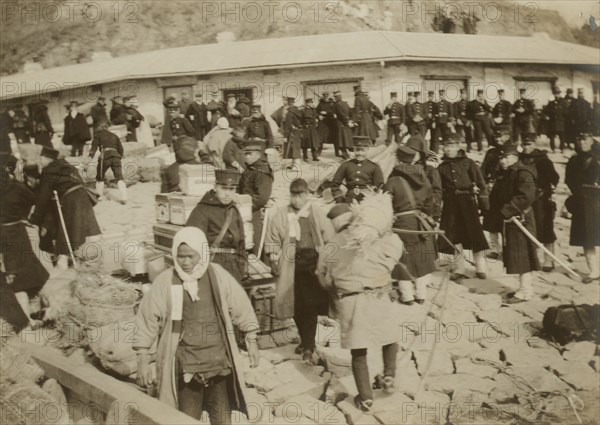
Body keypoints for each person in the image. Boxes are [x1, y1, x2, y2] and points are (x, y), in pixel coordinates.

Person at [133, 227, 260, 425]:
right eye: (181, 257)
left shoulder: (217, 276)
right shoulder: (166, 281)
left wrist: (251, 339)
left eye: (191, 256)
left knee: (223, 421)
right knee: (184, 420)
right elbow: (147, 317)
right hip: (186, 368)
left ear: (201, 253)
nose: (186, 262)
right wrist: (142, 357)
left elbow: (241, 306)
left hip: (218, 365)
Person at [316, 198, 402, 412]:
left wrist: (336, 287)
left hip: (351, 301)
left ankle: (365, 398)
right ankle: (389, 375)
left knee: (358, 351)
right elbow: (396, 251)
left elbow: (324, 279)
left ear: (334, 224)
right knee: (389, 337)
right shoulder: (375, 237)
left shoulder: (332, 245)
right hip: (380, 294)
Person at [264, 178, 333, 363]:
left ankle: (309, 347)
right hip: (290, 266)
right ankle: (305, 341)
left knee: (309, 306)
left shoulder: (316, 213)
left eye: (300, 194)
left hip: (313, 265)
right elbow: (272, 239)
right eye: (293, 194)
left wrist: (328, 262)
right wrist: (273, 260)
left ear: (307, 194)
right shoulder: (280, 214)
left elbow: (329, 237)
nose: (296, 199)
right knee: (295, 305)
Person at [29, 146, 101, 270]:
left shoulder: (48, 170)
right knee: (82, 228)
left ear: (46, 159)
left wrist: (35, 219)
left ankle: (63, 263)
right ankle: (89, 260)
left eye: (41, 159)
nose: (40, 162)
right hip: (83, 196)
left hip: (71, 199)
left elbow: (43, 197)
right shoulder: (68, 166)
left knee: (67, 229)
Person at [0, 154, 49, 326]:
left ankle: (28, 317)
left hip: (2, 233)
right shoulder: (16, 187)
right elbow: (33, 199)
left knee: (15, 275)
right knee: (33, 270)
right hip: (17, 232)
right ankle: (45, 311)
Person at [384, 146, 437, 304]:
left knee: (402, 257)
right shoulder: (424, 177)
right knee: (420, 257)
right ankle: (421, 294)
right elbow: (430, 202)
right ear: (413, 159)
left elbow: (386, 205)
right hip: (420, 223)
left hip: (401, 223)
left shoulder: (393, 180)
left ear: (398, 159)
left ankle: (407, 296)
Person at [488, 144, 540, 302]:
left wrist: (507, 210)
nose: (502, 161)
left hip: (521, 220)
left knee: (523, 256)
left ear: (514, 158)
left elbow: (526, 196)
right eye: (501, 158)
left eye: (504, 157)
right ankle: (522, 288)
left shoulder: (523, 173)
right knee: (516, 256)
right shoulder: (506, 174)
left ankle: (526, 291)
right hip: (511, 220)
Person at [438, 133, 489, 279]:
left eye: (452, 146)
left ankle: (481, 267)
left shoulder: (469, 163)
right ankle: (459, 268)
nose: (449, 149)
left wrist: (484, 204)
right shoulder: (441, 167)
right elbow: (438, 188)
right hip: (451, 205)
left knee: (475, 234)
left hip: (468, 202)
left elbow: (480, 184)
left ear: (458, 146)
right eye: (446, 146)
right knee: (454, 235)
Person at [186, 169, 247, 283]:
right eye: (223, 188)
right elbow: (191, 245)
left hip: (234, 269)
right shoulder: (202, 210)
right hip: (212, 268)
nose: (227, 193)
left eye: (231, 189)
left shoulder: (233, 210)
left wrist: (241, 266)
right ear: (215, 187)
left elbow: (241, 243)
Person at [520, 134, 559, 272]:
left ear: (534, 144)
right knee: (528, 228)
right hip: (524, 199)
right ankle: (533, 257)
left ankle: (548, 259)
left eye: (529, 144)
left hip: (541, 199)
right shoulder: (520, 159)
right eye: (524, 144)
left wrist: (547, 189)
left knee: (545, 228)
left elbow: (554, 177)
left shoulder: (543, 160)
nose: (526, 147)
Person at [565, 133, 600, 283]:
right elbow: (569, 180)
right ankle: (594, 271)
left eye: (585, 140)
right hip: (582, 202)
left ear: (591, 141)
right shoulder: (573, 160)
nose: (581, 143)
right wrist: (578, 193)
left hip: (596, 199)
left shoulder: (597, 158)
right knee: (587, 238)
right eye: (579, 140)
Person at [238, 140, 273, 255]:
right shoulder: (250, 169)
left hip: (254, 211)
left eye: (250, 154)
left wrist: (245, 207)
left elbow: (262, 198)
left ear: (258, 155)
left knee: (255, 240)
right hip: (243, 208)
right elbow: (240, 187)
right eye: (245, 154)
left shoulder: (261, 172)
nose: (246, 157)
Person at [481, 128, 511, 258]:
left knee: (507, 221)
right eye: (496, 137)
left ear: (507, 136)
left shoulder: (513, 151)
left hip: (507, 190)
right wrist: (483, 184)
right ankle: (494, 248)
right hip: (492, 190)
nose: (498, 139)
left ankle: (508, 248)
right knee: (492, 220)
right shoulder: (491, 152)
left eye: (501, 137)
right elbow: (483, 169)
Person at [331, 136, 384, 204]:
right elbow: (335, 184)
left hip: (368, 201)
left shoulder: (374, 167)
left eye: (362, 150)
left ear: (368, 149)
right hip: (349, 200)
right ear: (354, 150)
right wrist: (340, 200)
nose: (360, 154)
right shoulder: (346, 165)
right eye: (357, 150)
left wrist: (374, 201)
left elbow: (379, 187)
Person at [87, 122, 127, 204]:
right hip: (116, 156)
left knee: (100, 177)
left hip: (105, 157)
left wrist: (89, 158)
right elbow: (121, 149)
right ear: (107, 127)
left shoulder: (98, 135)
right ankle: (124, 197)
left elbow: (93, 148)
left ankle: (99, 197)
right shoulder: (114, 135)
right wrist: (118, 157)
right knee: (119, 177)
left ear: (99, 128)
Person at [405, 134, 442, 220]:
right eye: (410, 151)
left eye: (416, 152)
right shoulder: (402, 169)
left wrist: (430, 211)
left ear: (421, 154)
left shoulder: (430, 170)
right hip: (405, 211)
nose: (413, 155)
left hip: (425, 212)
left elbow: (437, 192)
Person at [283, 97, 303, 167]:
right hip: (298, 132)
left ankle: (296, 166)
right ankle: (294, 164)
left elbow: (288, 125)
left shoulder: (289, 113)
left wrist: (285, 136)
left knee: (293, 148)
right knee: (296, 148)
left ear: (288, 103)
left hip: (292, 133)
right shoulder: (297, 110)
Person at [333, 91, 353, 160]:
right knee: (346, 139)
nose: (335, 98)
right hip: (346, 124)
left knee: (342, 140)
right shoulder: (345, 104)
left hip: (341, 124)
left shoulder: (337, 105)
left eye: (335, 97)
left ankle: (345, 155)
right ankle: (347, 154)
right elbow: (350, 113)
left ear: (338, 97)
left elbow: (341, 115)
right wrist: (350, 121)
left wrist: (346, 122)